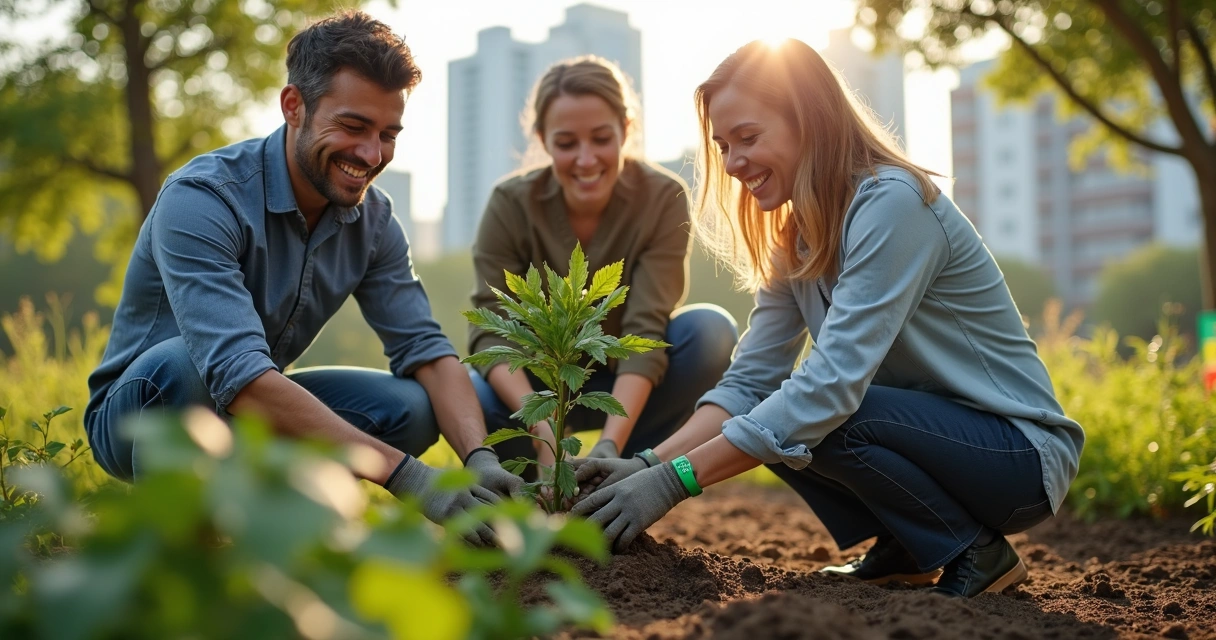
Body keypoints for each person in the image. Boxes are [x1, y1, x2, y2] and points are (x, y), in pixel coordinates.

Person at [571, 39, 1085, 599]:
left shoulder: (893, 203)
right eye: (723, 145)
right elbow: (748, 384)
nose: (733, 162)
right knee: (772, 413)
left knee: (814, 410)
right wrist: (648, 464)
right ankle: (909, 543)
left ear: (810, 122)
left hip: (1015, 459)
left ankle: (973, 551)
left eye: (748, 137)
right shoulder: (794, 238)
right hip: (933, 442)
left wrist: (673, 484)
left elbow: (832, 386)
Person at [84, 11, 521, 545]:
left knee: (410, 406)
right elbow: (236, 373)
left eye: (388, 134)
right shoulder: (202, 199)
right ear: (294, 106)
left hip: (248, 409)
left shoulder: (375, 220)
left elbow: (427, 350)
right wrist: (408, 476)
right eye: (353, 127)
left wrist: (478, 458)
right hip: (143, 410)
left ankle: (283, 519)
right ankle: (174, 548)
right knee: (185, 364)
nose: (371, 154)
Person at [467, 56, 739, 473]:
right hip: (536, 386)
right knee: (469, 388)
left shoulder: (662, 198)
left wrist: (610, 447)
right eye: (566, 143)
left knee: (709, 333)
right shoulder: (509, 204)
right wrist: (542, 438)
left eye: (600, 138)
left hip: (625, 378)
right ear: (542, 139)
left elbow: (645, 327)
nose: (586, 159)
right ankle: (522, 496)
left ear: (626, 131)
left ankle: (628, 479)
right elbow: (491, 333)